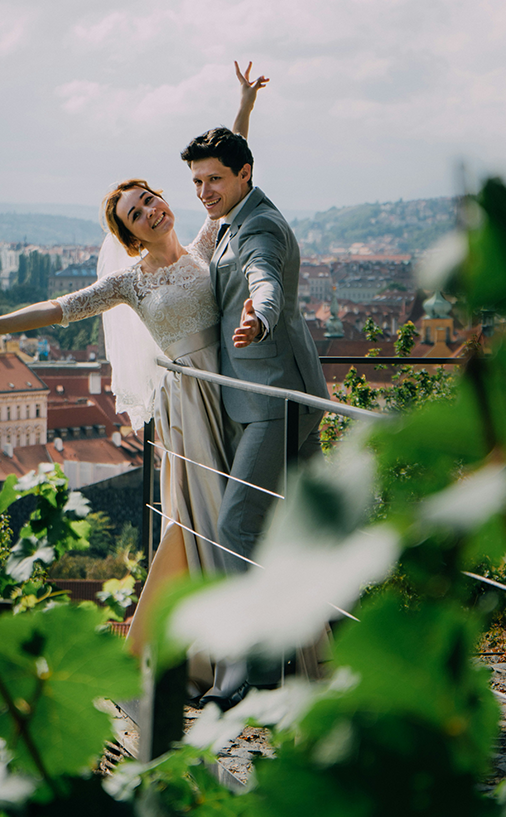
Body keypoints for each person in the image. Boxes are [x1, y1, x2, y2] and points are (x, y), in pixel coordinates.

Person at [0, 70, 266, 702]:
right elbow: (55, 309)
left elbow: (231, 170)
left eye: (149, 199)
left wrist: (244, 106)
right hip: (188, 406)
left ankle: (180, 643)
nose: (148, 210)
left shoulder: (203, 245)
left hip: (228, 394)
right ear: (129, 234)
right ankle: (219, 657)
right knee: (209, 524)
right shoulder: (129, 282)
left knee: (235, 515)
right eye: (134, 213)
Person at [181, 62, 330, 707]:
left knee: (241, 523)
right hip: (256, 397)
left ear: (245, 176)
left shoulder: (259, 227)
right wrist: (241, 107)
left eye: (215, 179)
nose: (204, 191)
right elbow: (234, 158)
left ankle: (255, 667)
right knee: (298, 528)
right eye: (196, 182)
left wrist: (260, 313)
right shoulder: (234, 215)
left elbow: (265, 277)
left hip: (276, 402)